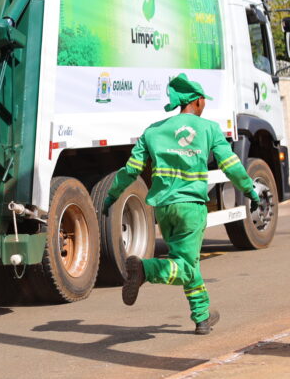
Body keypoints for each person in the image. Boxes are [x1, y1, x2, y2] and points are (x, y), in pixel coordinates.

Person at [101, 73, 260, 335]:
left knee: (187, 262)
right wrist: (249, 190)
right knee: (185, 266)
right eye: (203, 101)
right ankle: (145, 270)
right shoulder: (209, 129)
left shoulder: (152, 131)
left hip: (164, 208)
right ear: (196, 102)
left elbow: (130, 170)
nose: (204, 105)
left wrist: (111, 196)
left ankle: (202, 317)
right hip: (191, 207)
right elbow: (230, 164)